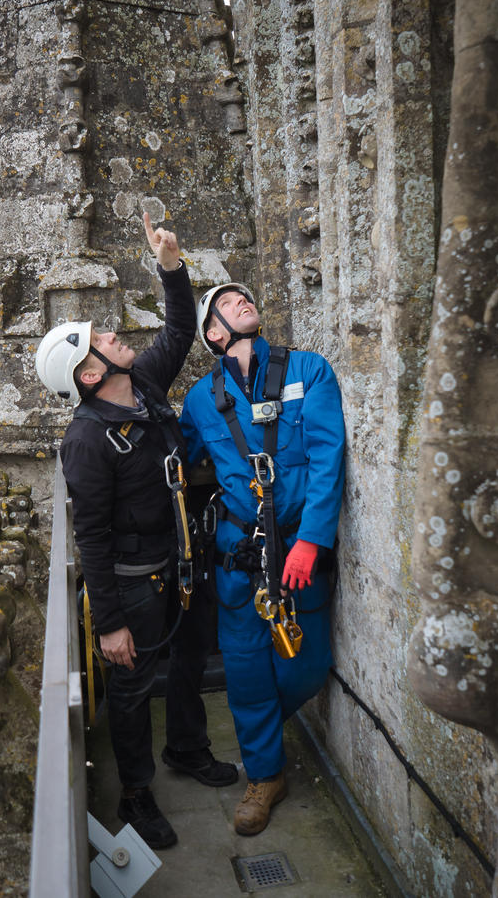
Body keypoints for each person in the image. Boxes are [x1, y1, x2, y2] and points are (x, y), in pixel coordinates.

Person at [34, 214, 237, 850]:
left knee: (189, 659)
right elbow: (90, 535)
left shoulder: (143, 387)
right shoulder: (88, 439)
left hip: (183, 557)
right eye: (103, 337)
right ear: (89, 374)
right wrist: (110, 624)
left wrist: (171, 264)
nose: (117, 335)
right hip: (137, 579)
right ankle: (136, 793)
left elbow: (179, 329)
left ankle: (186, 748)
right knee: (128, 687)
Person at [179, 282, 345, 836]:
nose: (241, 301)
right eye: (226, 303)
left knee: (306, 665)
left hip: (298, 547)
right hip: (237, 555)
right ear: (213, 333)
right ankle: (265, 774)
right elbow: (177, 457)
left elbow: (327, 456)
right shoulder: (202, 399)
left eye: (244, 296)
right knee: (247, 671)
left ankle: (263, 739)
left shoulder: (310, 370)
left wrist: (312, 540)